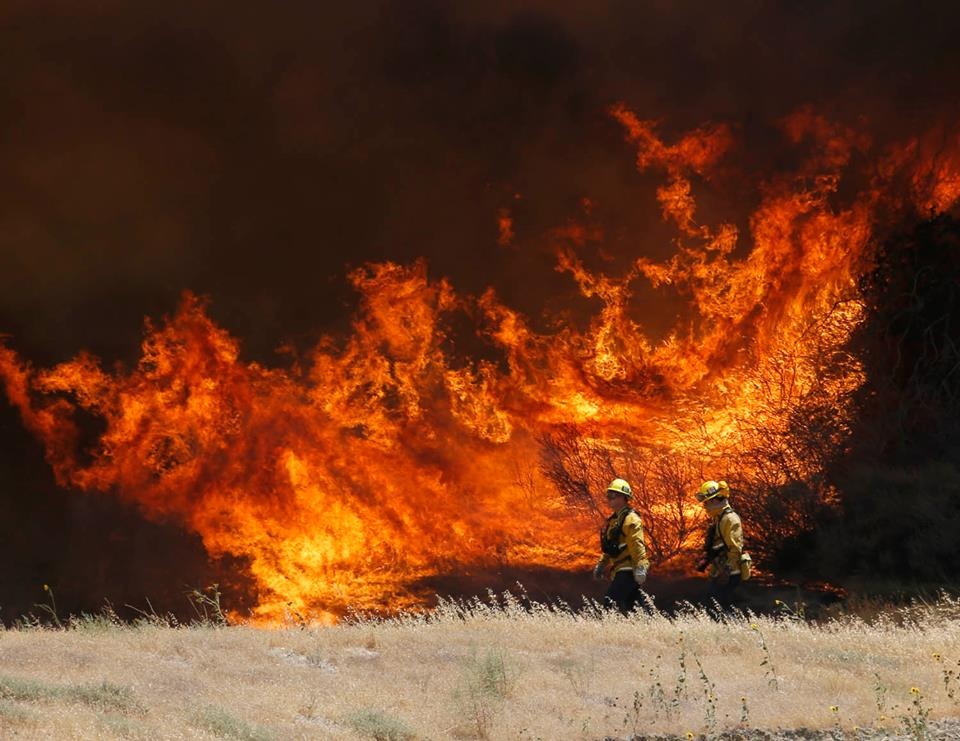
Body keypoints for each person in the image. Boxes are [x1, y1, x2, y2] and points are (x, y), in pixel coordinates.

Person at [592, 478, 650, 614]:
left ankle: (608, 631)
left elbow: (637, 544)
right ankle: (650, 628)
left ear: (625, 497)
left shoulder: (631, 519)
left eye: (614, 495)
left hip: (628, 569)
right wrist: (601, 565)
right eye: (609, 495)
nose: (609, 498)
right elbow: (611, 546)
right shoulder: (614, 521)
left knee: (610, 602)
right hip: (620, 569)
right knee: (635, 609)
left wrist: (641, 567)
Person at [695, 480, 749, 609]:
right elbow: (719, 545)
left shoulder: (729, 519)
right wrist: (706, 558)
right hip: (722, 571)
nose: (705, 506)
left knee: (720, 607)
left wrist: (726, 571)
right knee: (715, 605)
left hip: (730, 573)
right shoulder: (719, 517)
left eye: (706, 502)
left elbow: (735, 548)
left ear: (714, 500)